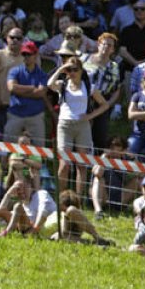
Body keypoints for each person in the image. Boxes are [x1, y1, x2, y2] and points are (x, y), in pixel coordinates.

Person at [47, 45, 107, 194]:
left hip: (82, 126)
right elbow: (49, 84)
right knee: (64, 163)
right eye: (70, 70)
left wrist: (89, 116)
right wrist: (61, 69)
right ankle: (62, 198)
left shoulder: (89, 86)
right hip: (65, 125)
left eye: (75, 69)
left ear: (81, 71)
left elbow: (104, 104)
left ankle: (79, 199)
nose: (72, 72)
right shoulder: (63, 84)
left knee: (82, 164)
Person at [4, 40, 48, 144]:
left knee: (39, 150)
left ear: (35, 55)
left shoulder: (42, 75)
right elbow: (11, 88)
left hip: (35, 115)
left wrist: (19, 90)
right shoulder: (14, 71)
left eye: (29, 54)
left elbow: (41, 93)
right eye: (24, 54)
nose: (26, 57)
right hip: (15, 114)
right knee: (7, 147)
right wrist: (32, 88)